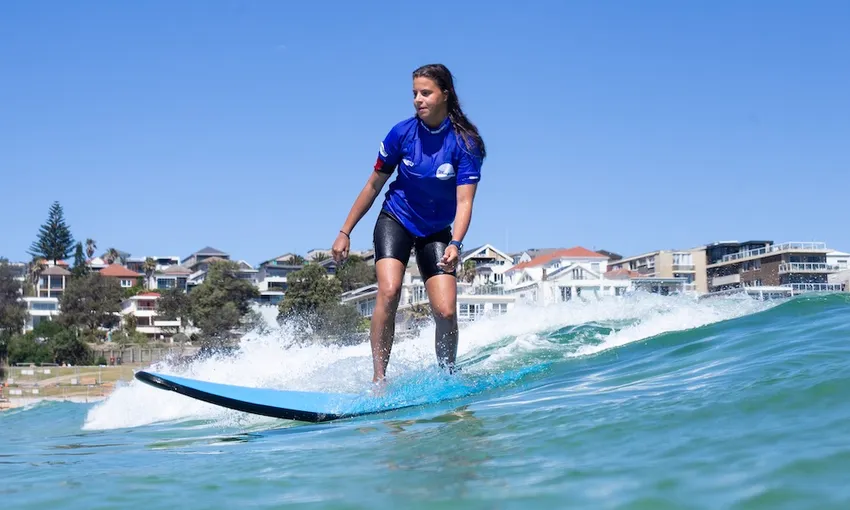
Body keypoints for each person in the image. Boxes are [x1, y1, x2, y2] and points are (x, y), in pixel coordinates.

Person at [331, 63, 486, 385]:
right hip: (397, 219)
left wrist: (456, 243)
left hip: (437, 231)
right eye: (415, 93)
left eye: (425, 93)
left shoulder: (465, 143)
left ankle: (447, 377)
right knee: (389, 291)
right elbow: (373, 185)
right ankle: (379, 381)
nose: (418, 99)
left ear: (445, 94)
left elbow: (465, 202)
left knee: (445, 311)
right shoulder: (401, 134)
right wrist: (345, 231)